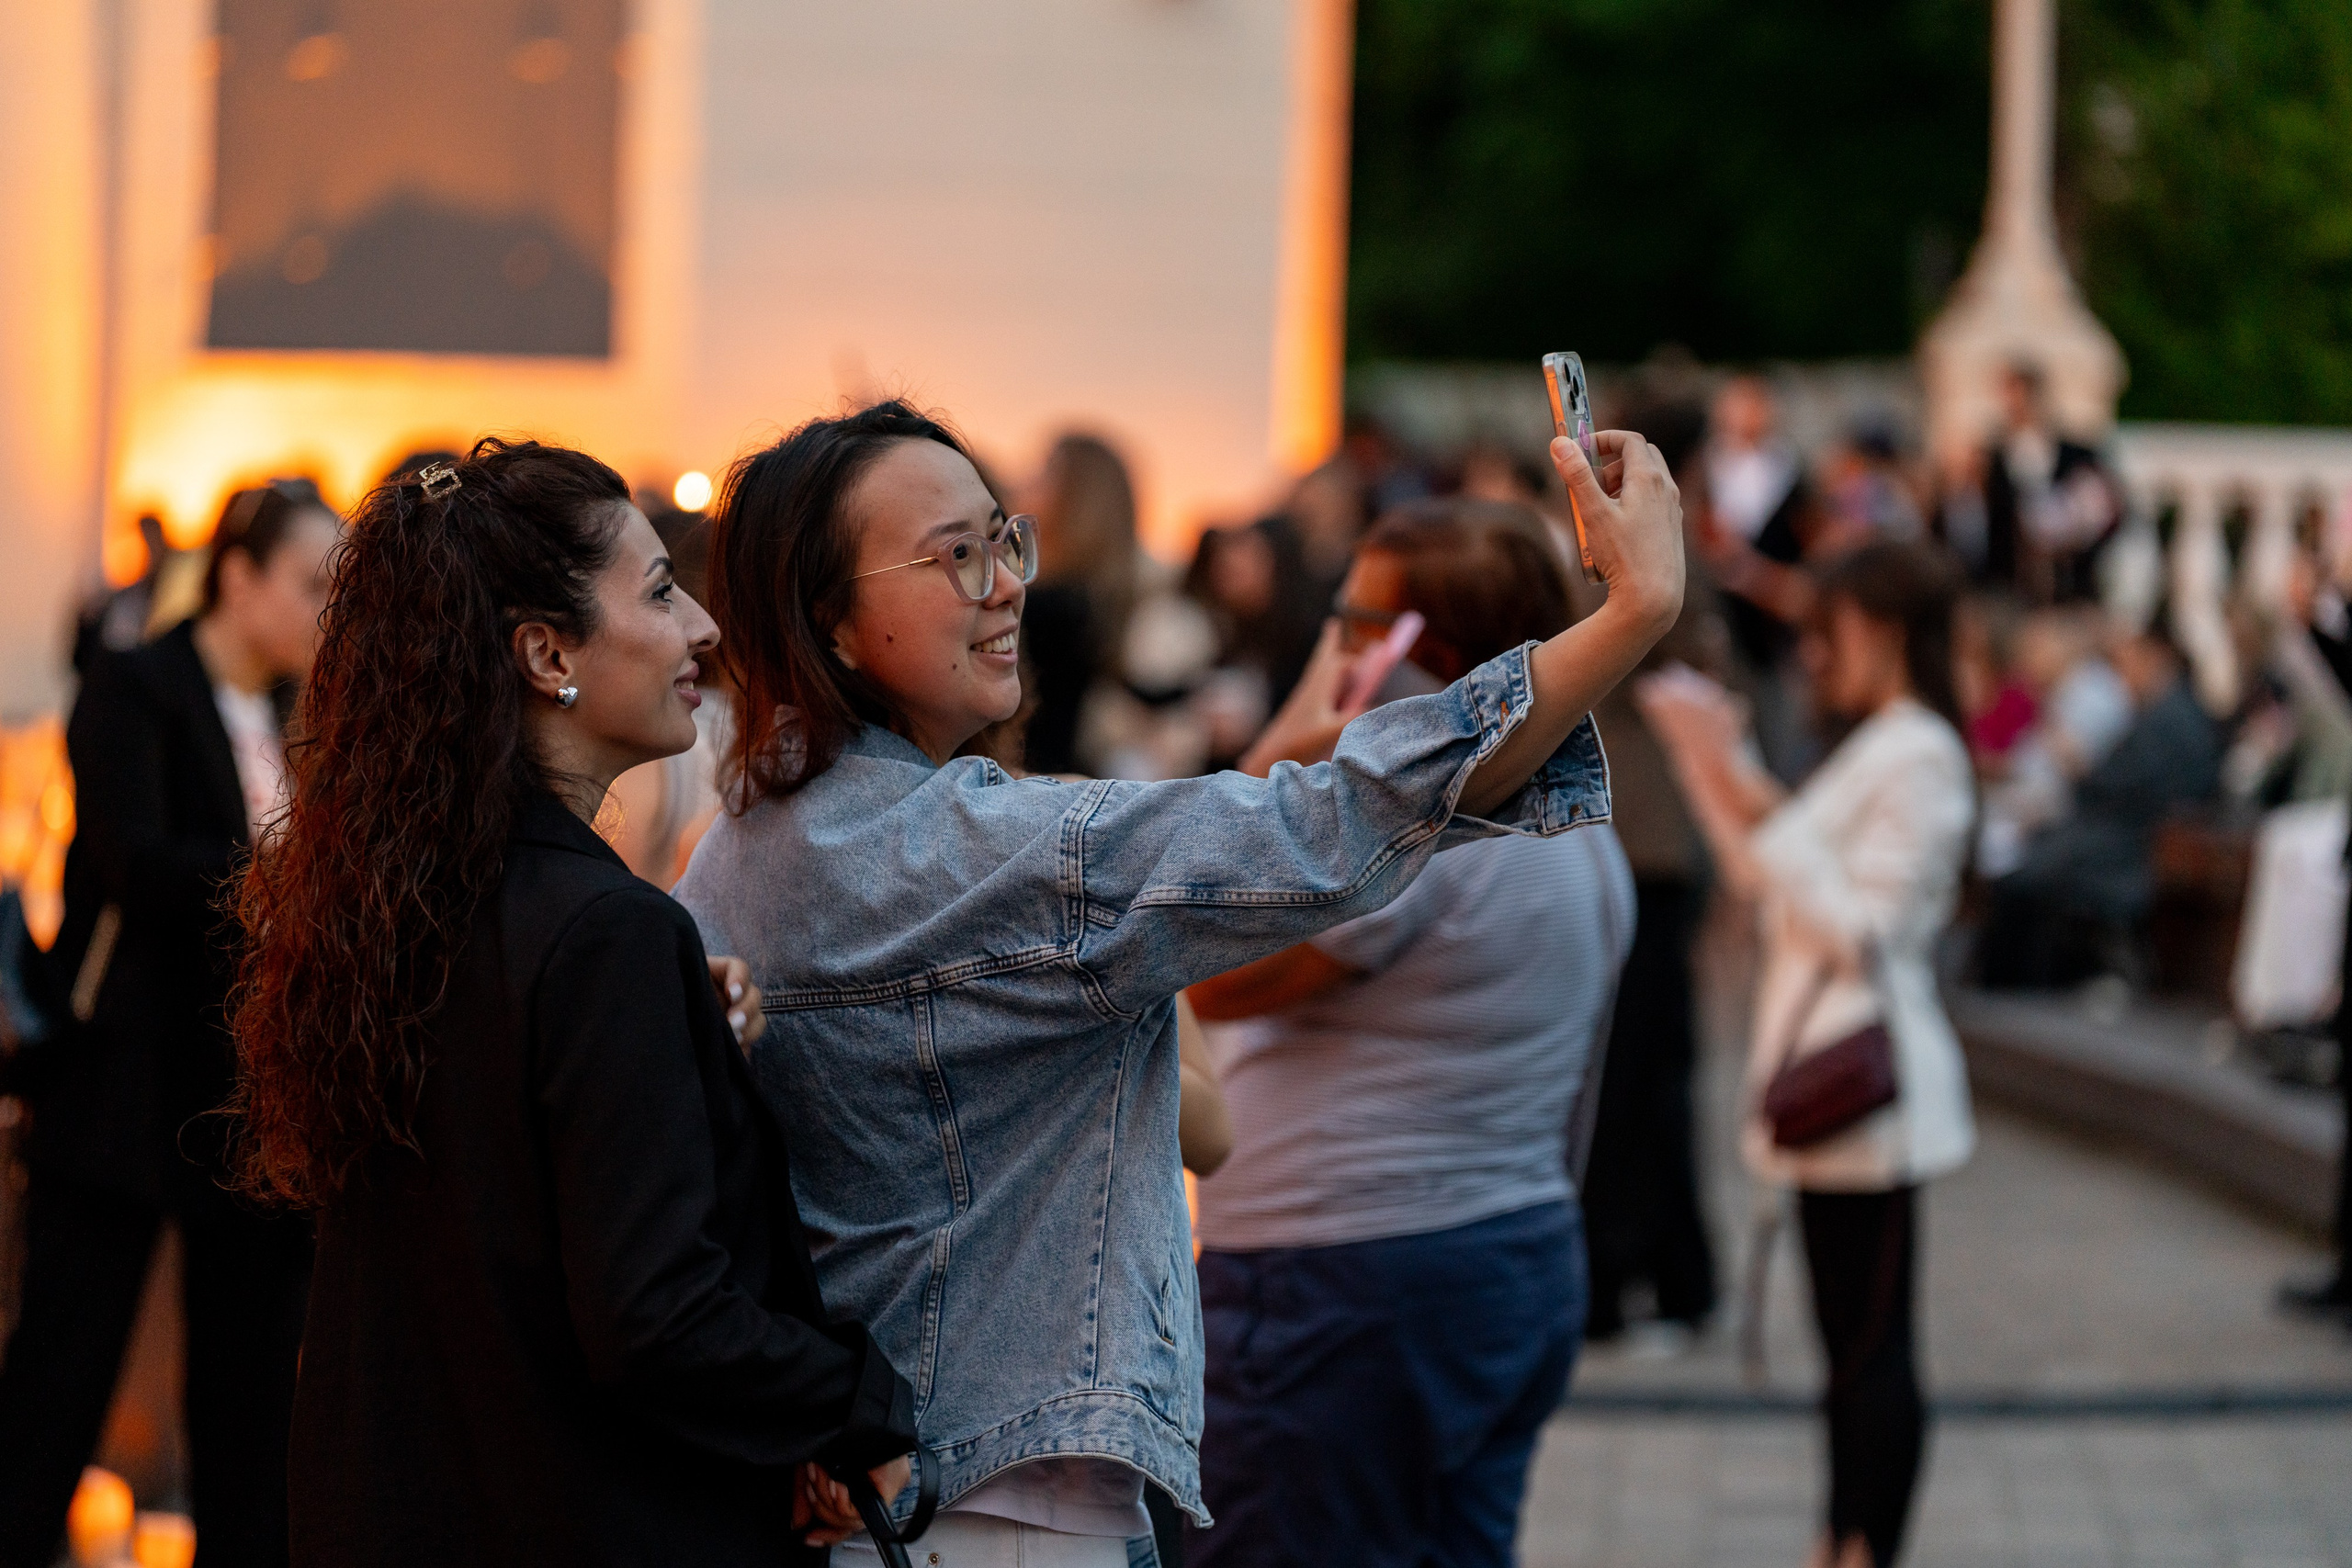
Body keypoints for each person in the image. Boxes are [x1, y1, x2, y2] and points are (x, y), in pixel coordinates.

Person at [673, 400, 1684, 1566]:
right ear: (830, 621)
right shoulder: (947, 845)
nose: (1004, 582)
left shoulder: (747, 847)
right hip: (1001, 1501)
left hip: (918, 1482)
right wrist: (1635, 610)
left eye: (1006, 538)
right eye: (956, 555)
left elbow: (1183, 890)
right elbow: (1313, 839)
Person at [224, 439, 916, 1568]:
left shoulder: (407, 912)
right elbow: (656, 1315)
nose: (701, 625)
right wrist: (858, 1408)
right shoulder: (604, 934)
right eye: (657, 590)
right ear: (546, 653)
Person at [1180, 498, 1634, 1568]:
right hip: (1509, 1254)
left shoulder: (1412, 834)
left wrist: (1290, 736)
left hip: (1346, 1284)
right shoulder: (1565, 806)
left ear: (1408, 649)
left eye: (1351, 618)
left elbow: (1190, 947)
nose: (1332, 637)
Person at [0, 480, 339, 1568]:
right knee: (63, 1367)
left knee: (248, 1393)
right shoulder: (138, 685)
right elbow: (133, 861)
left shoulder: (299, 713)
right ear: (237, 578)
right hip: (126, 1081)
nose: (324, 610)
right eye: (309, 583)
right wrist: (283, 873)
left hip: (246, 1093)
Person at [1640, 540, 1977, 1568]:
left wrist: (1741, 778)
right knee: (1846, 1353)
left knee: (1870, 1352)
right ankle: (1838, 1541)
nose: (1815, 657)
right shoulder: (1881, 743)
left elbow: (1860, 930)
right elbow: (1762, 877)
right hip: (1832, 1084)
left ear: (1879, 630)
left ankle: (1862, 1547)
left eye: (1828, 634)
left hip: (1868, 1091)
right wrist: (1710, 769)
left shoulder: (1918, 749)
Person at [1976, 614, 2223, 989]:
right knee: (2023, 863)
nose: (2123, 674)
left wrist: (2080, 774)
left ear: (2155, 657)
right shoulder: (2167, 713)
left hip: (2128, 842)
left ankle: (2015, 980)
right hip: (2118, 830)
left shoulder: (2171, 718)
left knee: (2026, 873)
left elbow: (2124, 786)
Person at [1019, 434, 1142, 776]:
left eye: (1045, 471)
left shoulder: (1051, 607)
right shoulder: (1089, 602)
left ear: (1078, 499)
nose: (1025, 479)